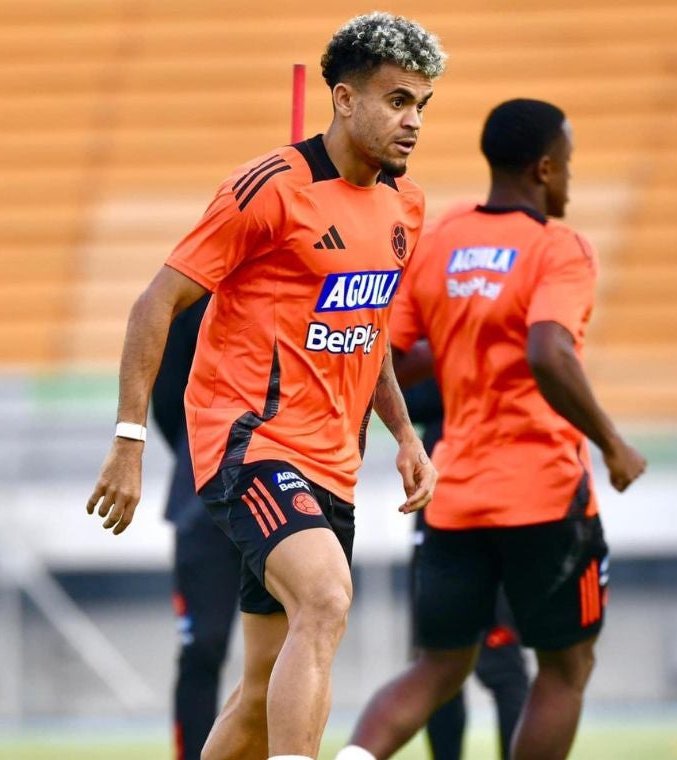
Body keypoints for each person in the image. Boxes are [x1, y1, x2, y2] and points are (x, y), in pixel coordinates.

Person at [85, 13, 444, 760]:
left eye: (422, 105)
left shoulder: (405, 206)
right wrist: (127, 440)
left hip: (331, 464)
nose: (413, 121)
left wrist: (405, 436)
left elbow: (366, 329)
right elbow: (157, 301)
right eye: (397, 101)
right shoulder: (270, 188)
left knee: (255, 697)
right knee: (326, 596)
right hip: (248, 441)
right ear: (344, 100)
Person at [336, 99, 647, 760]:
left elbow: (386, 356)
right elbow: (547, 352)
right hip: (543, 495)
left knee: (438, 667)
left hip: (456, 495)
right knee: (564, 671)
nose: (569, 180)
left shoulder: (443, 237)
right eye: (567, 166)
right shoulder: (558, 250)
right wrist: (613, 444)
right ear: (543, 168)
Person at [401, 374, 529, 760]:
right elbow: (404, 397)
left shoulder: (481, 345)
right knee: (439, 669)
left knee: (496, 669)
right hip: (445, 519)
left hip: (488, 519)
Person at [152, 293, 245, 760]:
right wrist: (204, 455)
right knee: (202, 649)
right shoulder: (194, 295)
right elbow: (167, 399)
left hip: (286, 487)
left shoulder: (298, 275)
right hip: (203, 503)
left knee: (287, 652)